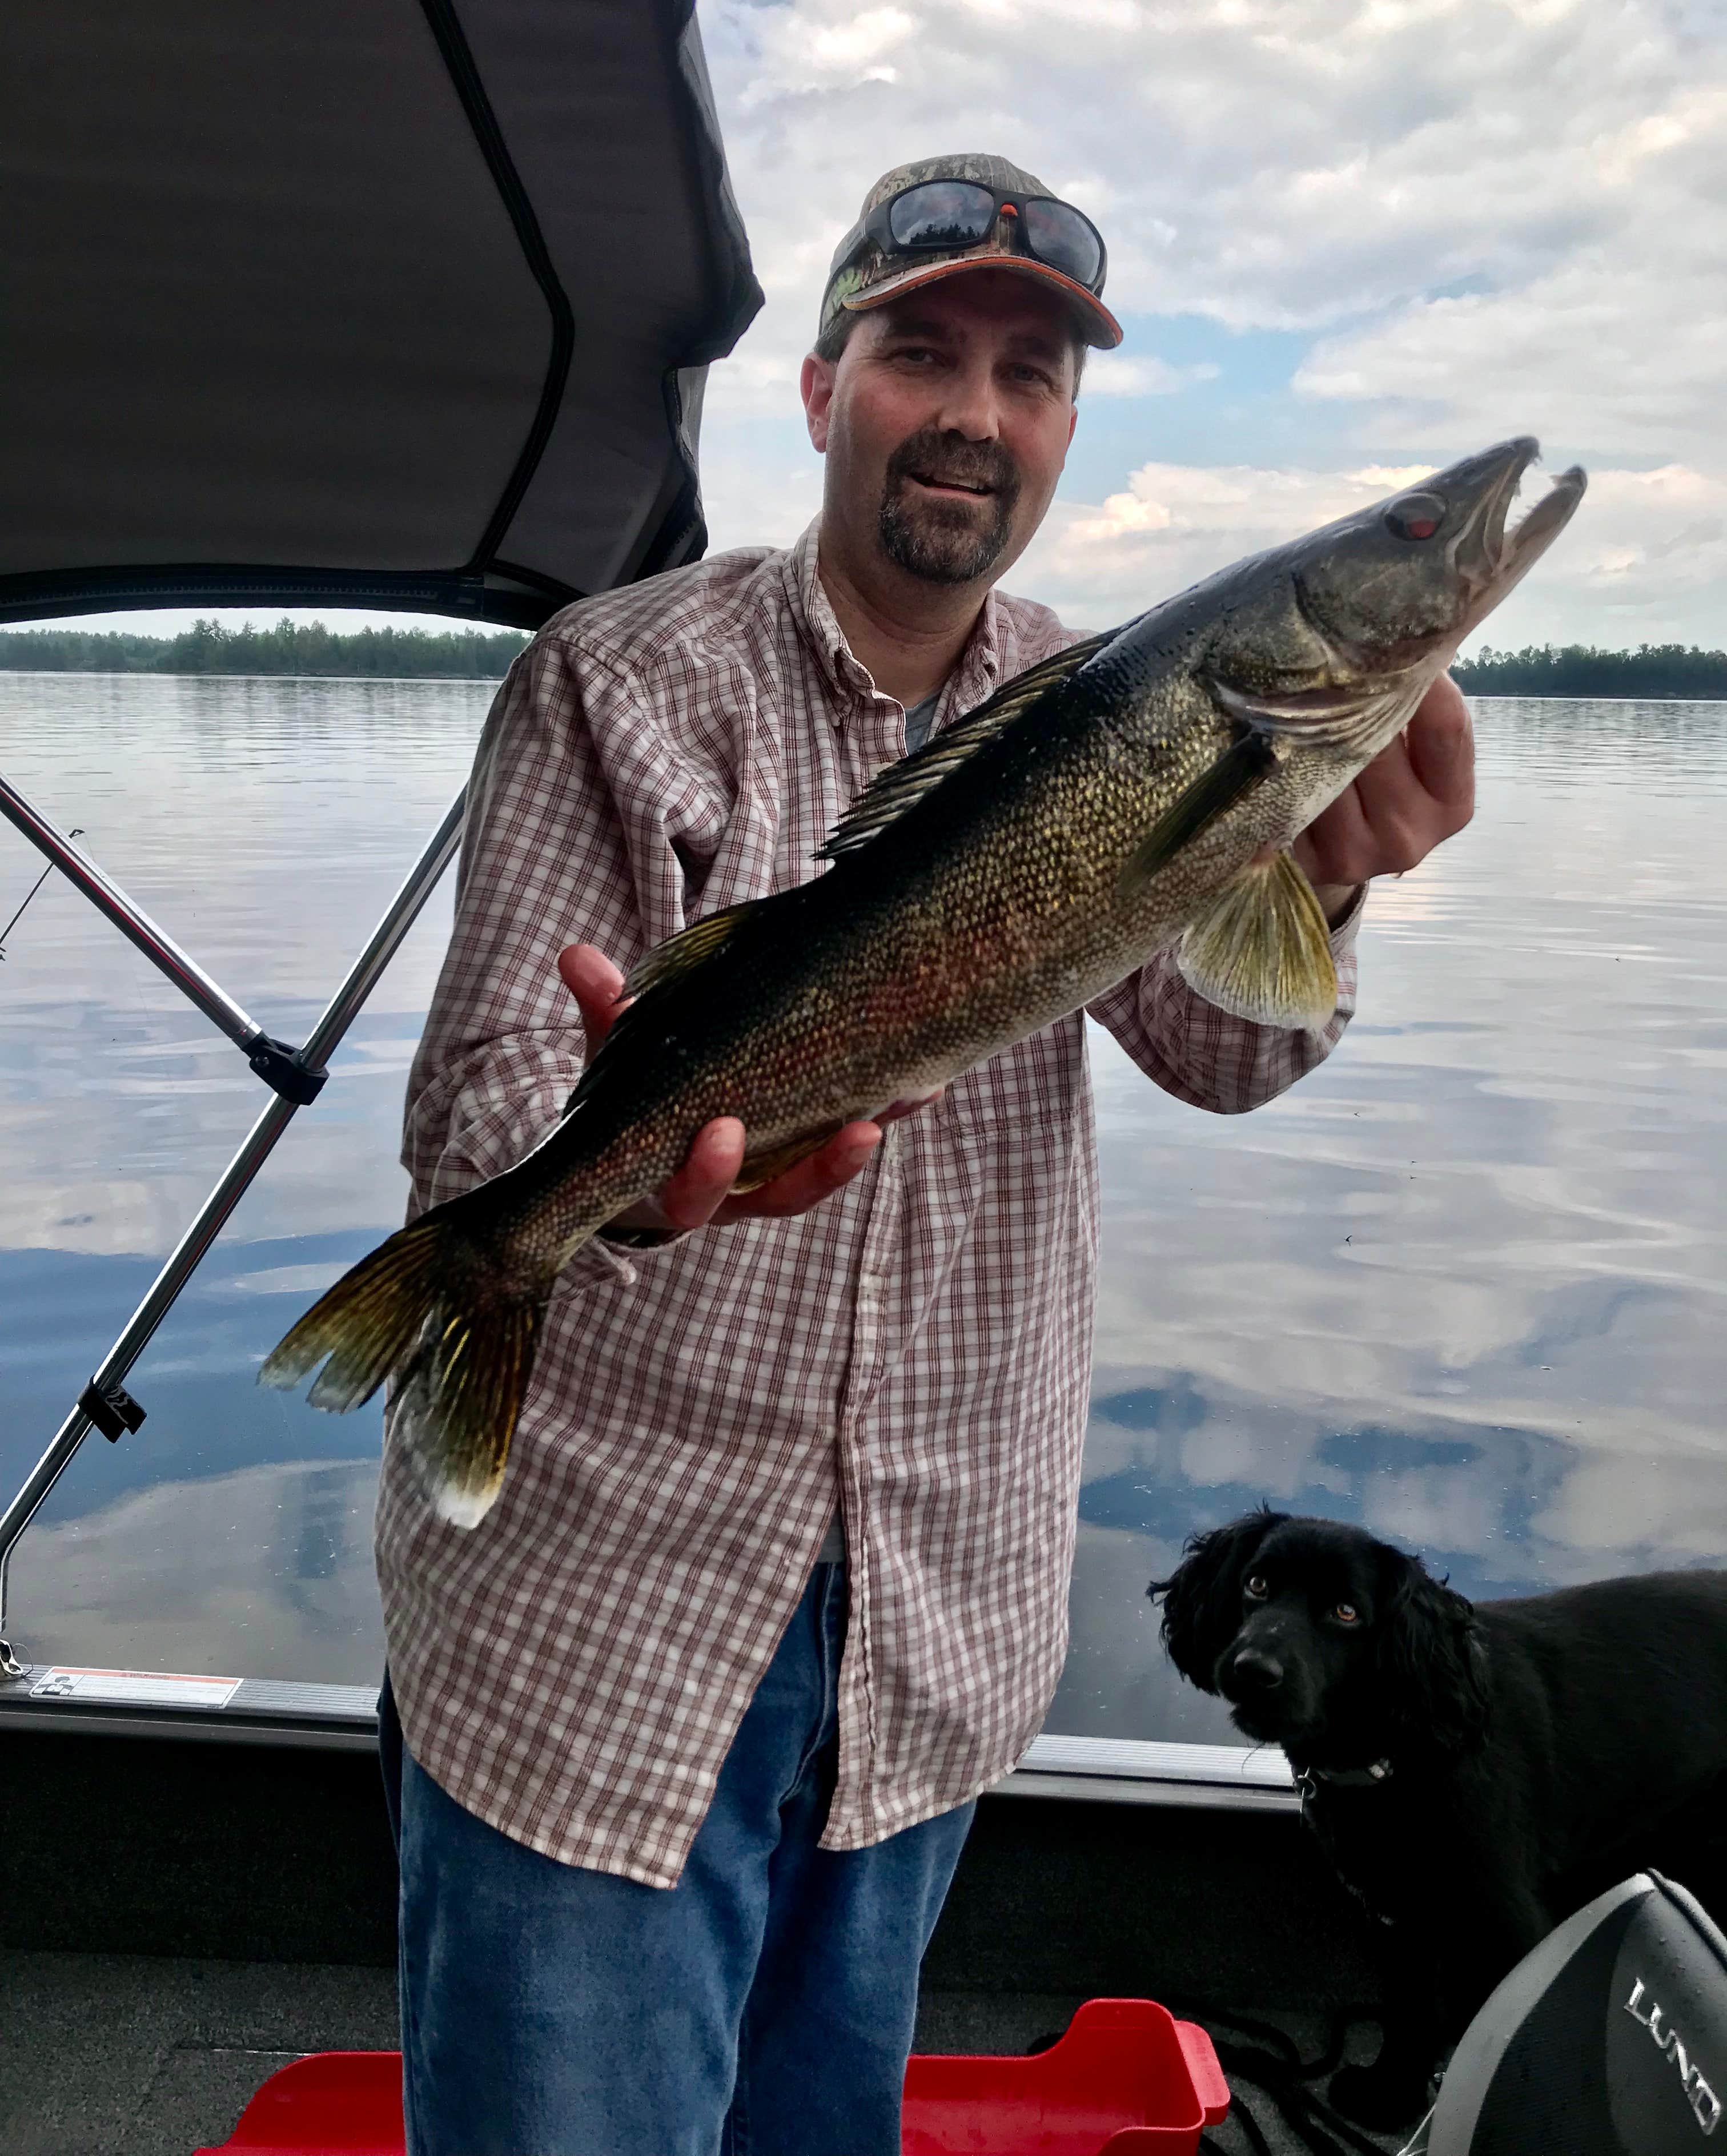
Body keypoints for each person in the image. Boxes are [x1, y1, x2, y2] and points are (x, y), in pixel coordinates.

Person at [375, 154, 1475, 2154]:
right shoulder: (611, 682)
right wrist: (591, 1190)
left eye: (1030, 373)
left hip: (932, 1640)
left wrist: (1332, 874)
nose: (975, 409)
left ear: (1063, 430)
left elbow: (1225, 1051)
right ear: (823, 390)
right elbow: (474, 1113)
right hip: (600, 1632)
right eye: (921, 352)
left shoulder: (1119, 699)